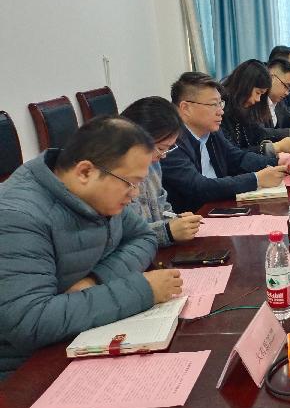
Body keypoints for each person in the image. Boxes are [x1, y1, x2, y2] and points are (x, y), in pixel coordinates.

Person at [0, 117, 183, 378]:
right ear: (85, 172)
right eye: (130, 183)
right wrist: (143, 291)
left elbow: (143, 237)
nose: (134, 194)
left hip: (79, 337)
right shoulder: (17, 216)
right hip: (25, 370)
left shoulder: (100, 194)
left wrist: (96, 279)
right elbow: (29, 322)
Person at [161, 72, 290, 213]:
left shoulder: (212, 132)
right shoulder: (169, 143)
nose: (220, 111)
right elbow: (199, 187)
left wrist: (277, 162)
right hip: (195, 217)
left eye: (220, 103)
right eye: (213, 104)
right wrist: (256, 179)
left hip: (220, 206)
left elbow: (237, 158)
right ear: (186, 108)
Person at [121, 96, 203, 247]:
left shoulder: (154, 165)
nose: (163, 155)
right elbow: (122, 236)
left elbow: (163, 207)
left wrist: (177, 220)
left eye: (168, 148)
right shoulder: (114, 176)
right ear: (136, 139)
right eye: (161, 148)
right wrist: (167, 231)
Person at [220, 59, 290, 155]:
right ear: (245, 85)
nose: (258, 99)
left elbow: (257, 134)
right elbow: (233, 155)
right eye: (258, 93)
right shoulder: (221, 110)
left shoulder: (245, 107)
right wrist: (274, 147)